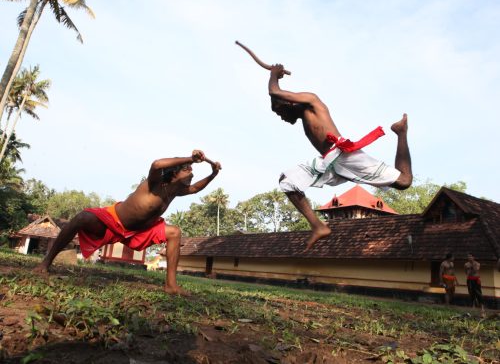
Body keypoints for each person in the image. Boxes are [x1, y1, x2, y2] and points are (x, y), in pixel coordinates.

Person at [35, 150, 221, 295]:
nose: (192, 172)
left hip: (141, 231)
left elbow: (196, 188)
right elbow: (156, 164)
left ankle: (171, 285)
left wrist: (212, 174)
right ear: (173, 173)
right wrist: (189, 157)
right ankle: (45, 263)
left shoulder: (176, 190)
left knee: (174, 232)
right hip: (113, 221)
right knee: (82, 217)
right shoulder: (154, 183)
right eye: (188, 169)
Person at [267, 64, 413, 250]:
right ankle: (318, 226)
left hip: (343, 155)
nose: (282, 118)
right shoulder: (304, 118)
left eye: (280, 112)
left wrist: (274, 75)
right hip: (328, 162)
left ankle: (400, 132)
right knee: (287, 181)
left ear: (289, 102)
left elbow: (274, 91)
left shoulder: (312, 102)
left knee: (404, 181)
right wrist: (275, 80)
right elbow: (275, 94)